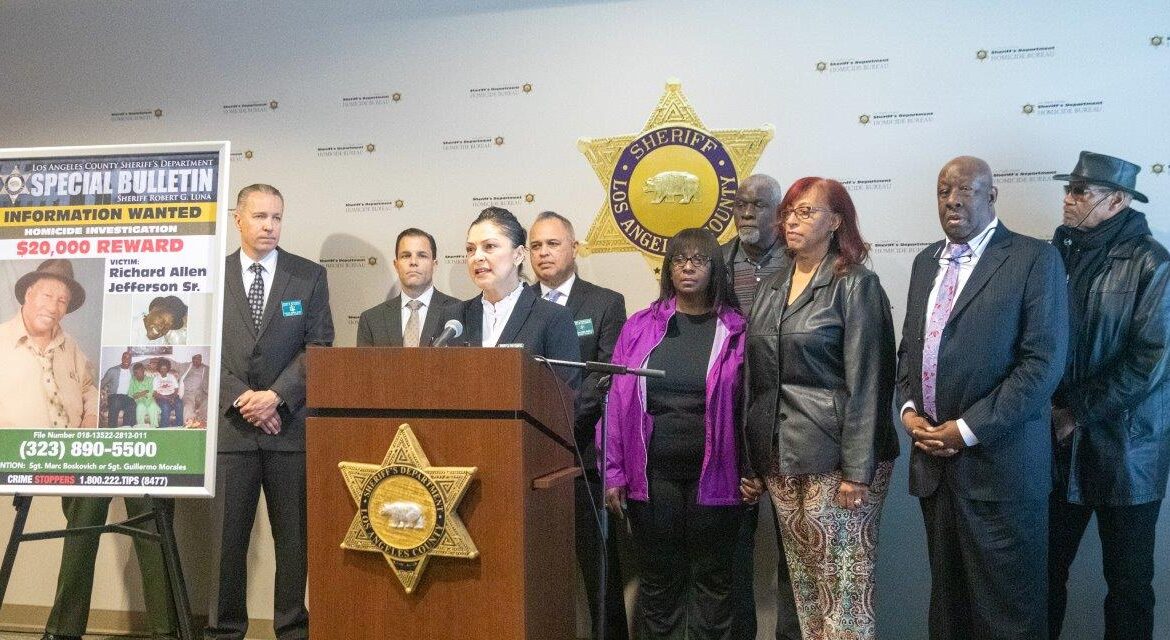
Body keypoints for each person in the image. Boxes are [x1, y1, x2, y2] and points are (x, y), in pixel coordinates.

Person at [897, 156, 1067, 639]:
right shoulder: (924, 262)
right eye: (943, 191)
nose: (952, 201)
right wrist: (908, 412)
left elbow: (1041, 366)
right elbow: (910, 349)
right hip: (935, 471)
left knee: (1007, 617)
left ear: (991, 196)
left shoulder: (1034, 259)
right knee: (949, 614)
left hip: (1002, 473)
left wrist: (966, 430)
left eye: (966, 190)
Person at [740, 178, 899, 640]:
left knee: (843, 592)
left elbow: (870, 382)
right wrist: (754, 461)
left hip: (838, 460)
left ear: (835, 222)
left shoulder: (856, 284)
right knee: (807, 589)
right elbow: (756, 379)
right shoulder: (772, 286)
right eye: (789, 212)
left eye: (806, 212)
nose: (792, 220)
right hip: (781, 457)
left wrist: (858, 471)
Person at [0, 259, 177, 640]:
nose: (54, 306)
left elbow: (88, 390)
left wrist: (92, 416)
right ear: (28, 294)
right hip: (22, 454)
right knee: (88, 513)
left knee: (144, 503)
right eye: (47, 295)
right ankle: (64, 631)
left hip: (82, 451)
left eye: (62, 300)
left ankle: (165, 631)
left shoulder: (71, 347)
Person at [1047, 151, 1170, 640]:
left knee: (1128, 586)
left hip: (1128, 453)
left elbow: (1151, 361)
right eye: (1068, 188)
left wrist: (1074, 411)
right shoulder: (1056, 255)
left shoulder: (1152, 262)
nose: (1068, 198)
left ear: (1117, 201)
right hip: (1058, 449)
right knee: (1042, 574)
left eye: (1080, 191)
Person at [601, 228, 746, 640]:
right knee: (659, 580)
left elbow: (750, 405)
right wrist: (613, 472)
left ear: (715, 268)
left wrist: (754, 471)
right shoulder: (639, 327)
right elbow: (616, 402)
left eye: (698, 259)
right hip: (652, 477)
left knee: (713, 580)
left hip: (716, 477)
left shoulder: (736, 329)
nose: (687, 267)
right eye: (679, 259)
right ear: (668, 269)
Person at [209, 183, 333, 640]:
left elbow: (319, 345)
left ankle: (293, 630)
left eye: (276, 217)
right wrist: (244, 399)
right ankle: (224, 631)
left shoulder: (308, 276)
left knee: (294, 542)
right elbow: (199, 346)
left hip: (289, 430)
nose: (269, 226)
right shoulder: (210, 274)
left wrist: (277, 396)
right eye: (260, 216)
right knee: (227, 544)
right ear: (238, 219)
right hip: (232, 430)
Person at [529, 210, 628, 639]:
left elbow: (606, 373)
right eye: (535, 245)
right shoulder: (518, 303)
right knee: (534, 569)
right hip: (530, 455)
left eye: (553, 243)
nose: (544, 253)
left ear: (574, 247)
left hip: (585, 453)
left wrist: (559, 417)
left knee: (599, 568)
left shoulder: (605, 302)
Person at [722, 173, 801, 640]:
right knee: (733, 551)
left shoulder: (802, 263)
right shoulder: (716, 262)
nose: (747, 213)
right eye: (740, 204)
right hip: (730, 423)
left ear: (780, 213)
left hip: (790, 420)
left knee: (797, 551)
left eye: (759, 205)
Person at [451, 206, 581, 387]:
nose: (477, 257)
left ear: (519, 255)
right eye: (470, 249)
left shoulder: (552, 318)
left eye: (489, 246)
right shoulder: (453, 318)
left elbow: (565, 396)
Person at [356, 227, 459, 347]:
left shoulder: (459, 313)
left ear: (434, 265)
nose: (413, 262)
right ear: (396, 265)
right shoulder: (371, 320)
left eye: (422, 255)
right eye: (406, 256)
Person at [99, 350, 136, 427]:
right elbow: (101, 384)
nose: (126, 360)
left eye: (129, 358)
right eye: (125, 357)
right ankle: (112, 429)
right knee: (116, 402)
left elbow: (143, 363)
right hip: (114, 396)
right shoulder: (112, 371)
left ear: (131, 360)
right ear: (121, 359)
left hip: (127, 396)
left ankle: (126, 428)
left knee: (132, 404)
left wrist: (152, 359)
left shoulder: (132, 370)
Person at [179, 353, 210, 427]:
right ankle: (189, 424)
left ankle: (202, 422)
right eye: (195, 358)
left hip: (200, 392)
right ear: (192, 359)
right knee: (189, 405)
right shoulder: (186, 366)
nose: (197, 360)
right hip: (188, 392)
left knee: (208, 401)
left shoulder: (206, 368)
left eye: (199, 358)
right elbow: (174, 363)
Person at [130, 362, 161, 428]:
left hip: (150, 400)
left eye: (140, 372)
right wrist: (144, 392)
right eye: (136, 373)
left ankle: (154, 426)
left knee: (152, 406)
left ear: (143, 371)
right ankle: (141, 427)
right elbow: (131, 395)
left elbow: (152, 393)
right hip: (139, 401)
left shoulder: (150, 380)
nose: (138, 375)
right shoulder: (133, 380)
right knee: (140, 406)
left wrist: (139, 394)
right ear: (134, 373)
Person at [153, 359, 182, 427]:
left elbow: (176, 389)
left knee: (179, 403)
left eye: (165, 369)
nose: (163, 371)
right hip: (161, 398)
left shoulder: (171, 376)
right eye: (162, 369)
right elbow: (155, 393)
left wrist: (173, 397)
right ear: (159, 369)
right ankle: (164, 427)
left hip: (173, 396)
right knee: (165, 407)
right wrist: (166, 398)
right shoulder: (156, 378)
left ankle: (179, 425)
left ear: (168, 369)